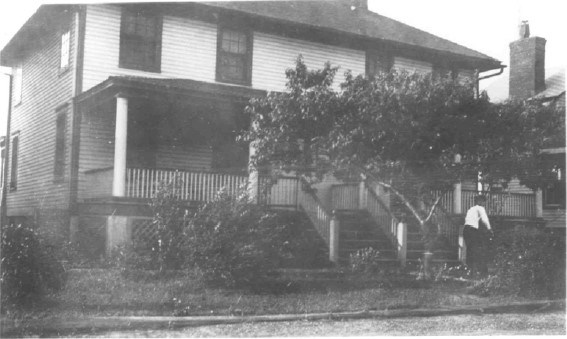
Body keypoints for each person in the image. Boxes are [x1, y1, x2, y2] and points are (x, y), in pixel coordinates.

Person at [463, 195, 493, 278]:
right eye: (483, 201)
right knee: (477, 250)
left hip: (466, 230)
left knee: (470, 250)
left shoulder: (470, 209)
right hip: (472, 230)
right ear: (479, 201)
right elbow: (485, 220)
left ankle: (471, 270)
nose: (484, 203)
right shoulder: (480, 208)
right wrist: (490, 229)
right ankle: (480, 272)